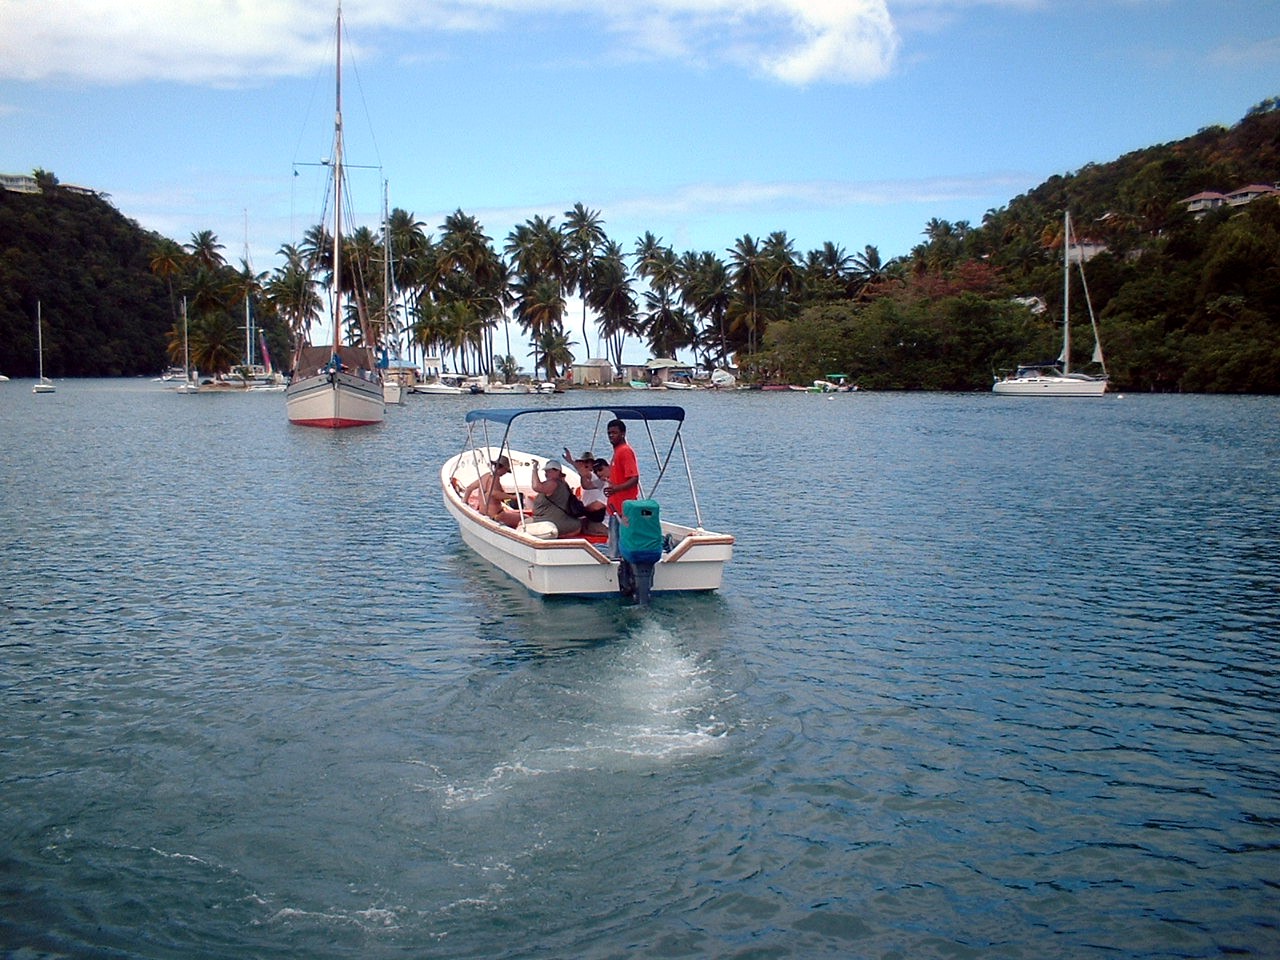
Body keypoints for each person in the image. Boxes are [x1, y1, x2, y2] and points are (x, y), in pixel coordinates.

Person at [604, 418, 640, 556]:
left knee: (618, 548)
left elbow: (634, 478)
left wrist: (616, 489)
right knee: (614, 544)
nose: (611, 436)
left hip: (623, 509)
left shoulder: (625, 451)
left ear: (623, 433)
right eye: (609, 433)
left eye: (614, 432)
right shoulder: (617, 451)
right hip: (614, 508)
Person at [463, 455, 521, 528]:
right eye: (506, 470)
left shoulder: (485, 476)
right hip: (496, 515)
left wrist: (464, 502)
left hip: (483, 513)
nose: (505, 473)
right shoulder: (495, 479)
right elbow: (494, 493)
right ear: (502, 468)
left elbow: (469, 488)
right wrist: (513, 497)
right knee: (525, 518)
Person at [530, 459, 583, 537]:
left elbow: (536, 486)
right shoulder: (564, 484)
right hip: (566, 522)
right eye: (546, 471)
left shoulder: (553, 483)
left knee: (521, 524)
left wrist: (534, 469)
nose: (546, 474)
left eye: (549, 471)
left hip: (551, 523)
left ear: (557, 472)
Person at [565, 448, 607, 524]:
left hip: (595, 514)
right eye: (583, 462)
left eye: (587, 462)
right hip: (589, 512)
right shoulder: (596, 480)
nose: (585, 464)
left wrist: (571, 462)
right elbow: (586, 485)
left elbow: (586, 474)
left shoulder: (595, 476)